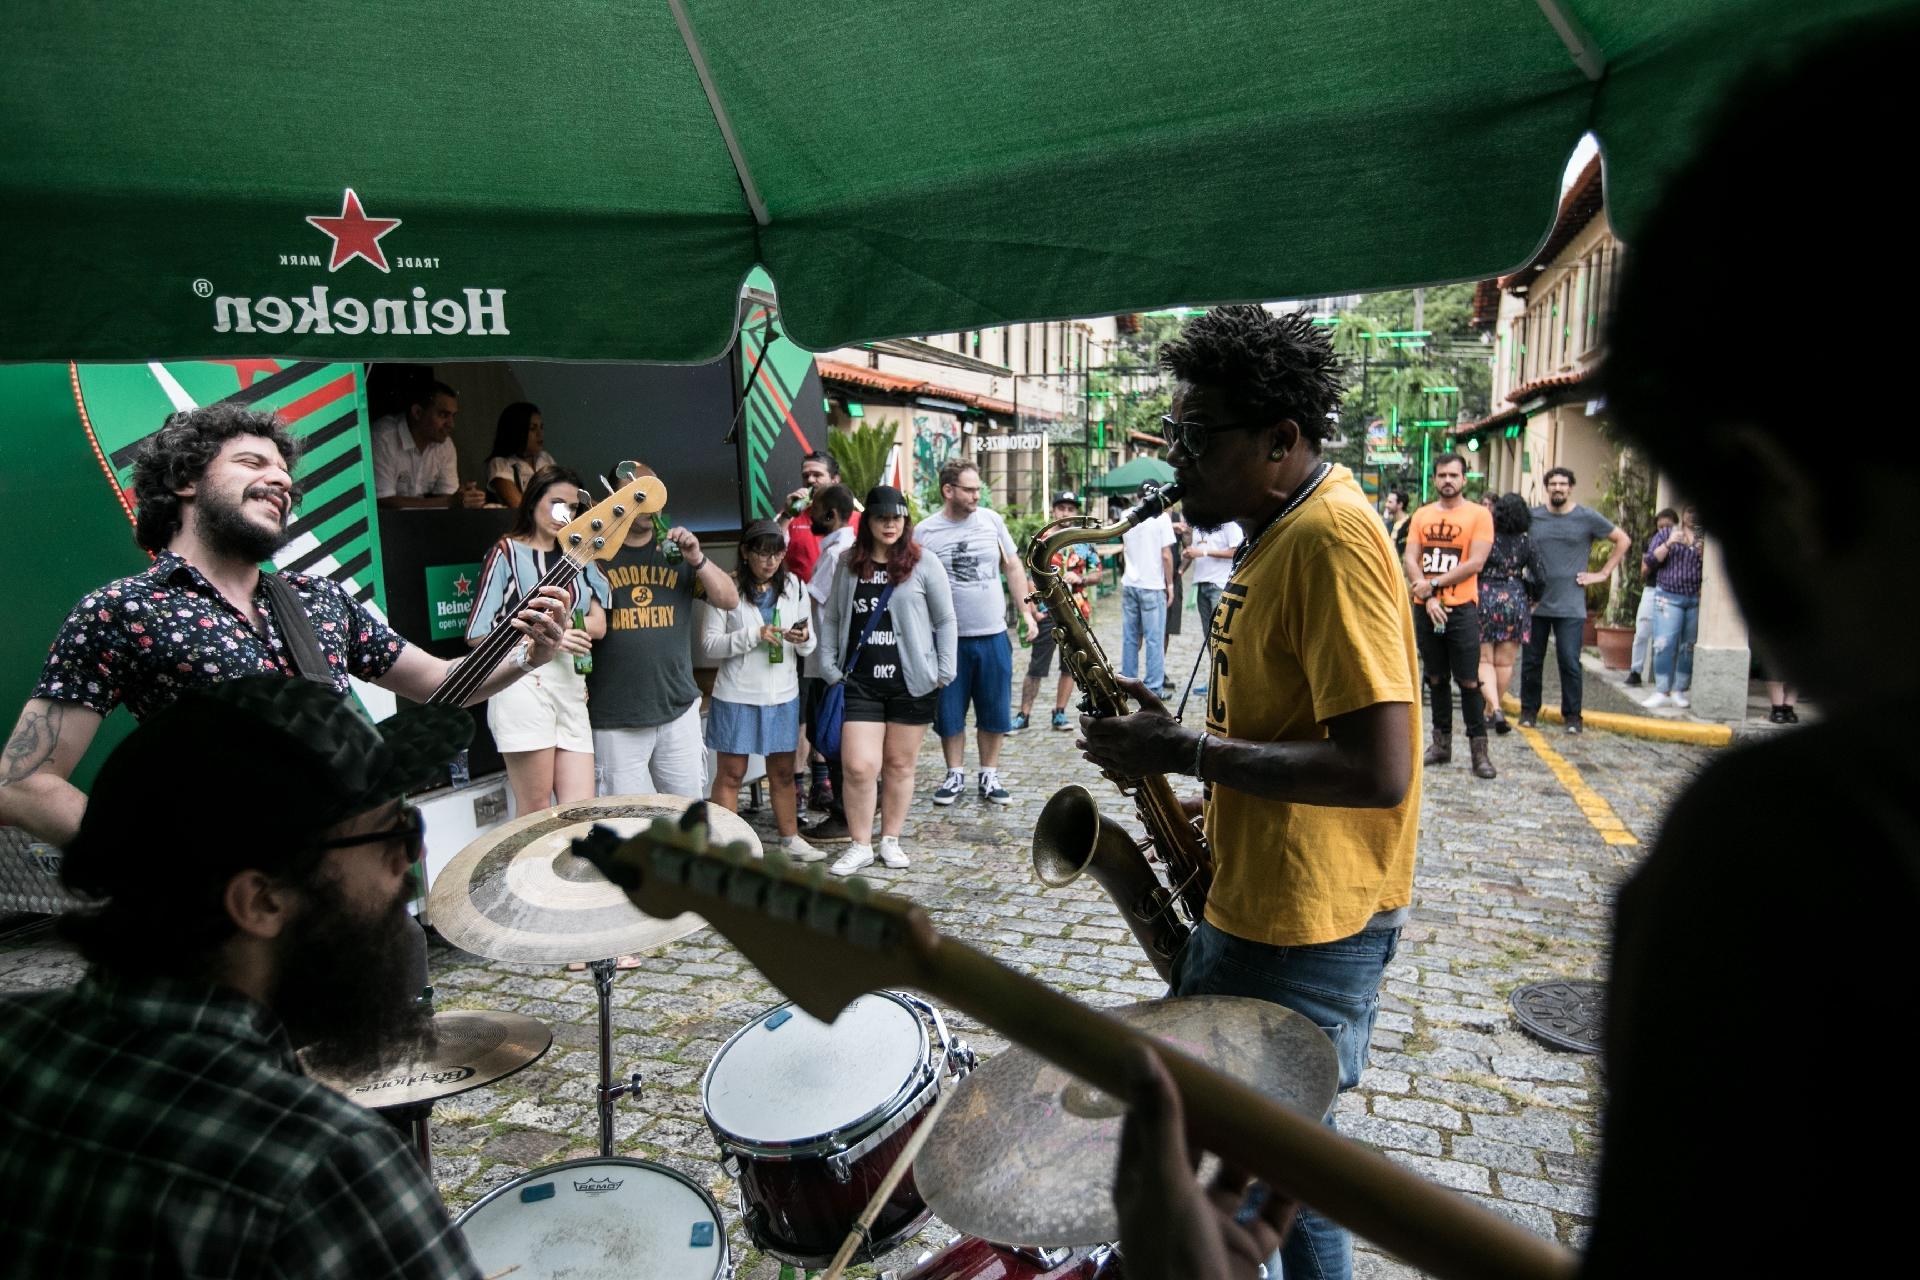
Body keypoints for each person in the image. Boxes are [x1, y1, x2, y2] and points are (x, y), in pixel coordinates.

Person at [1079, 304, 1418, 1280]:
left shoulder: (1331, 540)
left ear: (1281, 441)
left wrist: (1183, 748)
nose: (1174, 459)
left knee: (1262, 1177)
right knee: (1275, 1175)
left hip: (1308, 930)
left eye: (1196, 438)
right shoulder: (1277, 529)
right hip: (1260, 903)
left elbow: (1379, 765)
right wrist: (1181, 755)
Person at [0, 676, 484, 1278]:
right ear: (260, 902)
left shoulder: (13, 1035)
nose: (409, 862)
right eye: (395, 834)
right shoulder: (324, 1168)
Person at [0, 403, 568, 846]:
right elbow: (21, 782)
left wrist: (527, 657)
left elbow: (445, 684)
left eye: (284, 471)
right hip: (222, 920)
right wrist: (151, 862)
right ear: (183, 481)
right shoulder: (121, 610)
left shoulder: (318, 599)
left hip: (346, 889)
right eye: (252, 463)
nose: (281, 481)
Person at [814, 485, 956, 875]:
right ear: (868, 521)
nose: (890, 525)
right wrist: (828, 666)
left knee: (899, 765)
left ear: (905, 521)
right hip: (859, 681)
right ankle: (860, 843)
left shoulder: (924, 563)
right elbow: (834, 618)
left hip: (911, 683)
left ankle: (890, 839)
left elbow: (945, 619)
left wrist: (944, 670)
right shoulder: (847, 563)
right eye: (881, 517)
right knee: (859, 766)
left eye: (897, 518)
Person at [465, 466, 608, 817]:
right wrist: (551, 639)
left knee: (580, 812)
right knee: (536, 812)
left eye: (573, 508)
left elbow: (599, 624)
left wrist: (564, 631)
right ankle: (527, 875)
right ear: (532, 503)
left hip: (572, 688)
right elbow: (476, 634)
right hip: (522, 683)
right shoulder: (506, 552)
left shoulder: (579, 554)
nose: (565, 514)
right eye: (556, 503)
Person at [585, 473, 739, 797]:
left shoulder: (677, 553)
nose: (646, 499)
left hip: (678, 709)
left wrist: (697, 558)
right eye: (636, 491)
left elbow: (729, 599)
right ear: (616, 498)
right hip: (614, 715)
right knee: (622, 827)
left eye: (653, 490)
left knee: (689, 819)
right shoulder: (594, 555)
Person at [916, 460, 1037, 808]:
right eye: (969, 489)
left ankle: (989, 774)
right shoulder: (925, 532)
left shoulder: (991, 521)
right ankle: (954, 773)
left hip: (992, 633)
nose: (977, 495)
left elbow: (1013, 567)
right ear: (948, 491)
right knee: (949, 713)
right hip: (946, 640)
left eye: (978, 488)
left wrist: (1026, 612)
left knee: (995, 710)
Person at [699, 518, 822, 861]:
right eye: (762, 553)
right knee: (732, 773)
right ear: (745, 552)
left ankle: (790, 838)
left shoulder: (795, 586)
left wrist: (803, 638)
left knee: (782, 771)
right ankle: (729, 845)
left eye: (776, 553)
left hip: (782, 694)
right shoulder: (726, 587)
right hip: (736, 694)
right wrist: (752, 636)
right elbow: (709, 646)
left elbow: (808, 647)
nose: (770, 561)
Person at [1404, 454, 1497, 778]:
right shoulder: (1422, 514)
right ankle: (1441, 745)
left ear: (1464, 478)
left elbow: (1475, 563)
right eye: (1442, 474)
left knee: (1469, 680)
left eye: (1453, 475)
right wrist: (1427, 596)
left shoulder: (1479, 515)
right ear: (1435, 478)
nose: (1447, 480)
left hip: (1461, 609)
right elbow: (1411, 558)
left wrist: (1432, 586)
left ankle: (1479, 752)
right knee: (1435, 677)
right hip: (1425, 608)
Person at [1517, 466, 1630, 732]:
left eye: (1563, 484)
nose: (1558, 488)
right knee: (1532, 662)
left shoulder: (1586, 517)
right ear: (1547, 487)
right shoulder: (1532, 517)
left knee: (1569, 662)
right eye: (1553, 483)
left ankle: (1573, 717)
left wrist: (1602, 573)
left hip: (1571, 605)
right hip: (1535, 604)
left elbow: (1623, 540)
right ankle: (1528, 711)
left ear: (1570, 487)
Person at [1013, 490, 1103, 732]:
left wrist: (1081, 576)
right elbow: (1029, 575)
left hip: (1076, 613)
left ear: (1075, 512)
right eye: (1061, 508)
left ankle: (1060, 712)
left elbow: (1098, 574)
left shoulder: (1083, 542)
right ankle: (1024, 714)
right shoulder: (1042, 541)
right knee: (1036, 667)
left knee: (1071, 666)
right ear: (1054, 511)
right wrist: (1032, 609)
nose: (1066, 513)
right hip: (1047, 611)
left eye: (1070, 509)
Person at [799, 483, 859, 836]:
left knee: (832, 738)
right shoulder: (843, 549)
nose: (810, 513)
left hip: (828, 660)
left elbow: (811, 602)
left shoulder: (838, 553)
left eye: (816, 507)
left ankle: (843, 814)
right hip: (833, 658)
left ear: (832, 514)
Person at [1473, 493, 1541, 735]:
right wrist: (1532, 600)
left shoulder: (1486, 537)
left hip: (1485, 597)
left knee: (1483, 661)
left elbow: (1474, 566)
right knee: (1505, 663)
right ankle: (1491, 712)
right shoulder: (1526, 542)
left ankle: (1495, 707)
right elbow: (1540, 575)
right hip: (1515, 599)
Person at [371, 378, 487, 510]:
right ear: (417, 413)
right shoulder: (384, 437)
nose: (451, 425)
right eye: (443, 415)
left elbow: (448, 496)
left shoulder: (445, 444)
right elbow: (382, 501)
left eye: (453, 416)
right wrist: (449, 502)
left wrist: (462, 499)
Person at [1118, 484, 1177, 705]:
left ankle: (1128, 684)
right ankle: (1153, 688)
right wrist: (1169, 585)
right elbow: (1167, 556)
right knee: (1154, 639)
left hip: (1130, 583)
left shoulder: (1126, 516)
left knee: (1130, 638)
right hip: (1152, 585)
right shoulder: (1161, 519)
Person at [1639, 505, 1704, 709]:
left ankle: (1679, 690)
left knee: (1687, 647)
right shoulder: (1668, 533)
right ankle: (1661, 690)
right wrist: (1668, 543)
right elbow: (1650, 560)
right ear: (1683, 514)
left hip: (1694, 598)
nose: (1693, 515)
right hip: (1668, 596)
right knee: (1663, 644)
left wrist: (1703, 554)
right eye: (1690, 511)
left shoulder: (1705, 539)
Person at [1182, 517, 1243, 697]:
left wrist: (1204, 553)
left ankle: (1228, 682)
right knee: (1209, 638)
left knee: (1223, 637)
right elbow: (1195, 549)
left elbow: (1235, 551)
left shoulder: (1228, 522)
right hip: (1201, 583)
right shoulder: (1201, 524)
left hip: (1219, 584)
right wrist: (1187, 539)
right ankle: (1215, 681)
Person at [1624, 507, 1677, 687]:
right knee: (1641, 633)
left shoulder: (1681, 543)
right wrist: (1658, 554)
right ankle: (1635, 670)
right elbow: (1644, 570)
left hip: (1672, 592)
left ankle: (1665, 678)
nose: (1664, 531)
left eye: (1668, 527)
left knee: (1666, 637)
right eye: (1660, 527)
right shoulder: (1651, 542)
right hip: (1652, 589)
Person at [782, 449, 843, 582]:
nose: (810, 480)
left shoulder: (854, 517)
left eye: (817, 475)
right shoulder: (790, 515)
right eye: (805, 476)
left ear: (835, 479)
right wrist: (787, 514)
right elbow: (770, 549)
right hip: (802, 598)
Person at [482, 401, 556, 507]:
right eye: (532, 429)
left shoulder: (545, 458)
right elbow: (518, 505)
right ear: (517, 431)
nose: (540, 434)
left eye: (541, 427)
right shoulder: (501, 463)